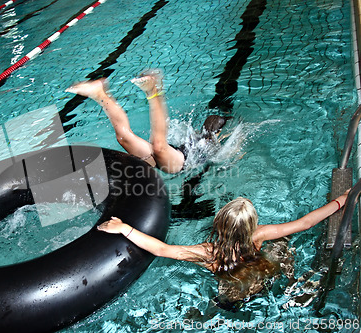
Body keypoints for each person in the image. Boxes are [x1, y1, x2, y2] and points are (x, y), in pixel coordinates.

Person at [97, 190, 350, 305]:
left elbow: (163, 249)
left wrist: (124, 228)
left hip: (233, 295)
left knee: (223, 304)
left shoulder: (210, 252)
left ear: (218, 224)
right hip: (263, 280)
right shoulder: (259, 236)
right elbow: (305, 223)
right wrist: (342, 200)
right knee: (283, 245)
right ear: (252, 225)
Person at [66, 69, 226, 173]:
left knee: (123, 137)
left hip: (176, 155)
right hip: (180, 161)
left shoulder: (208, 141)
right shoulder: (209, 142)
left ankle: (99, 93)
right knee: (158, 146)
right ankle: (153, 90)